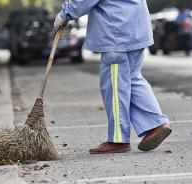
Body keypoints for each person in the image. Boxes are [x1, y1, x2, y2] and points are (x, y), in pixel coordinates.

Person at [52, 0, 172, 154]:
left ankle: (118, 139)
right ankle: (156, 124)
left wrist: (66, 13)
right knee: (133, 79)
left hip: (116, 32)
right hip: (136, 28)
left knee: (115, 87)